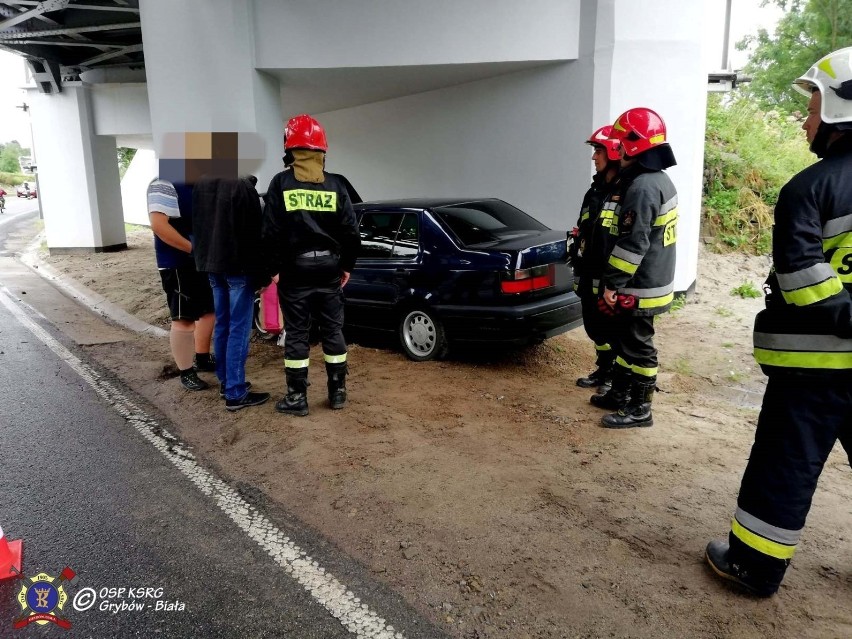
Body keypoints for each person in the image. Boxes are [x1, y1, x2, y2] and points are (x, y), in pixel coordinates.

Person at [706, 46, 852, 597]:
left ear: (841, 107)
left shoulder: (809, 189)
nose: (805, 118)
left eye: (813, 103)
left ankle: (753, 565)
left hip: (812, 371)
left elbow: (804, 286)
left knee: (784, 467)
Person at [262, 114, 361, 416]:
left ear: (290, 150)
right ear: (321, 151)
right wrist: (346, 266)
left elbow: (269, 232)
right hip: (330, 269)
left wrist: (274, 269)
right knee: (333, 330)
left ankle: (296, 398)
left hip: (295, 272)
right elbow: (351, 232)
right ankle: (338, 393)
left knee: (297, 333)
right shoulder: (336, 184)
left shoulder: (281, 183)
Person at [590, 107, 678, 429]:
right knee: (626, 342)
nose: (617, 149)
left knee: (640, 348)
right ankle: (621, 395)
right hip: (643, 281)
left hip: (637, 284)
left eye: (620, 142)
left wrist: (611, 284)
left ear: (634, 144)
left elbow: (633, 244)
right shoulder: (655, 180)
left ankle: (641, 410)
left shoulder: (642, 187)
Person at [193, 165, 272, 412]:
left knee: (224, 325)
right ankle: (236, 392)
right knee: (238, 329)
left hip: (211, 266)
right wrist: (262, 277)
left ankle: (226, 383)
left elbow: (198, 228)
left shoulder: (202, 183)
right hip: (238, 268)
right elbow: (254, 237)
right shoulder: (243, 186)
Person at [147, 171, 216, 391]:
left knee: (208, 311)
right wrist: (194, 250)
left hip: (203, 260)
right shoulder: (164, 182)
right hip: (177, 263)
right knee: (184, 318)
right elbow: (159, 225)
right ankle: (186, 371)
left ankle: (202, 357)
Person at [572, 125, 622, 393]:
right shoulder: (594, 191)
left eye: (598, 150)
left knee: (613, 328)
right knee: (594, 326)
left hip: (610, 275)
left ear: (614, 152)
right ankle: (604, 370)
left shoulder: (625, 191)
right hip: (588, 269)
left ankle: (616, 377)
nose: (594, 157)